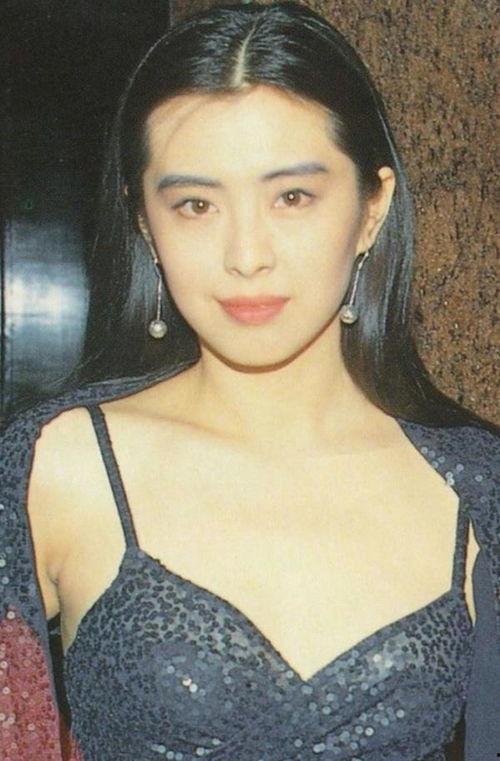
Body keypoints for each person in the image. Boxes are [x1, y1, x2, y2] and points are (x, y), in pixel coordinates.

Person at [0, 2, 498, 760]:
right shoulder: (57, 467)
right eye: (195, 205)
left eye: (292, 197)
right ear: (146, 224)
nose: (246, 254)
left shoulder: (477, 489)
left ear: (372, 208)